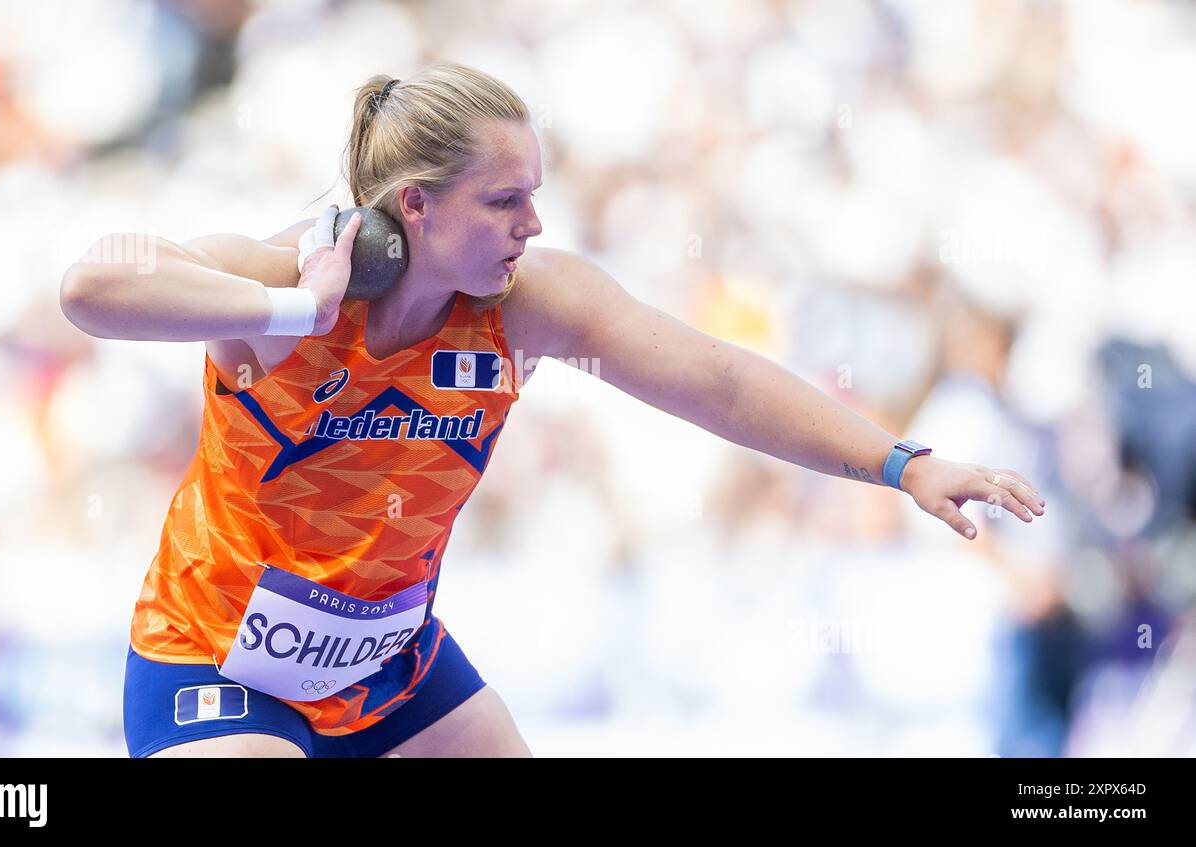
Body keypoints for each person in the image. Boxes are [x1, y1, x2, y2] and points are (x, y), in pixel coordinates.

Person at [59, 63, 1047, 758]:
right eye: (504, 201)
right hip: (222, 662)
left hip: (389, 661)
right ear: (415, 205)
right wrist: (299, 306)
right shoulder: (284, 290)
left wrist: (899, 462)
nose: (533, 225)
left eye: (534, 196)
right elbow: (88, 287)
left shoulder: (527, 303)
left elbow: (718, 380)